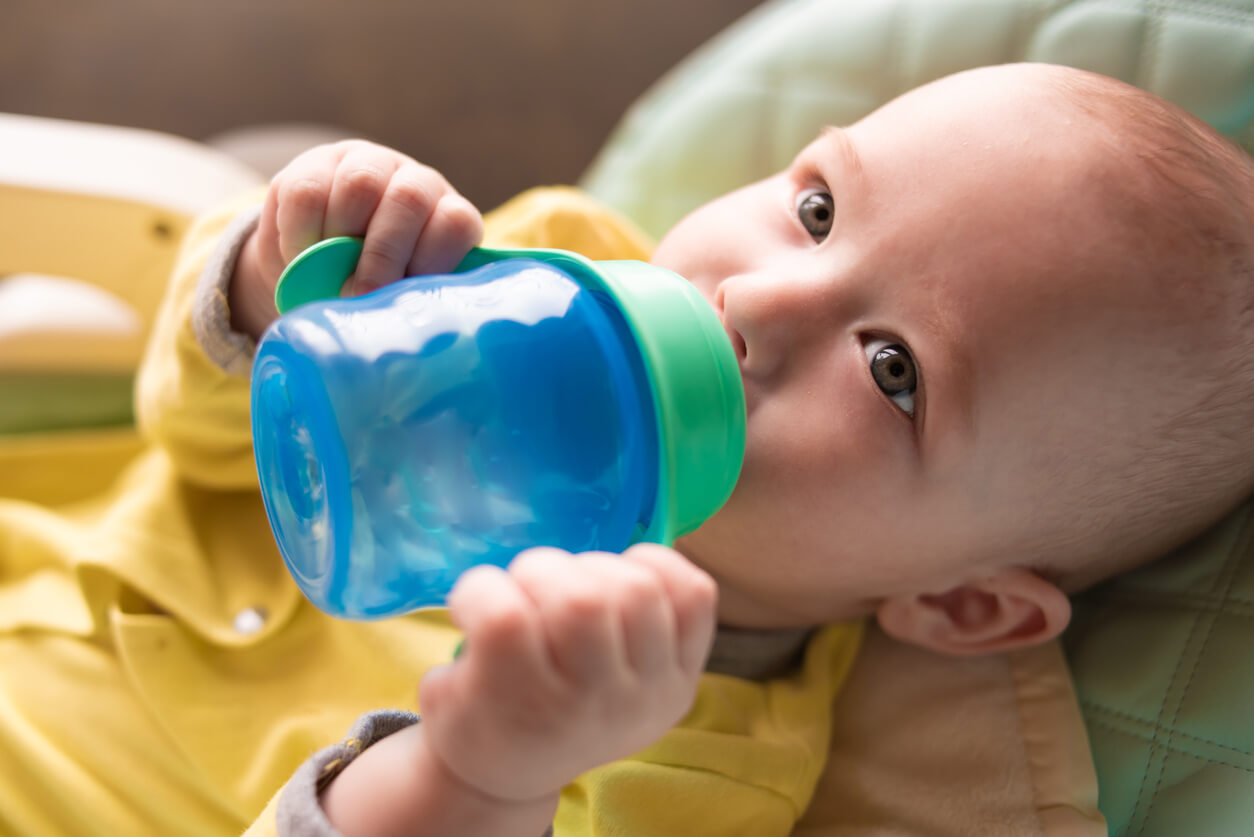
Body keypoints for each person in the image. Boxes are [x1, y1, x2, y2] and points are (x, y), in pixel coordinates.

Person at [1, 62, 1251, 836]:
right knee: (259, 170)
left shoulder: (693, 768)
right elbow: (195, 430)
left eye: (893, 373)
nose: (761, 304)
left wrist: (485, 775)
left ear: (962, 603)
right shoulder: (537, 265)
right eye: (816, 211)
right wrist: (275, 277)